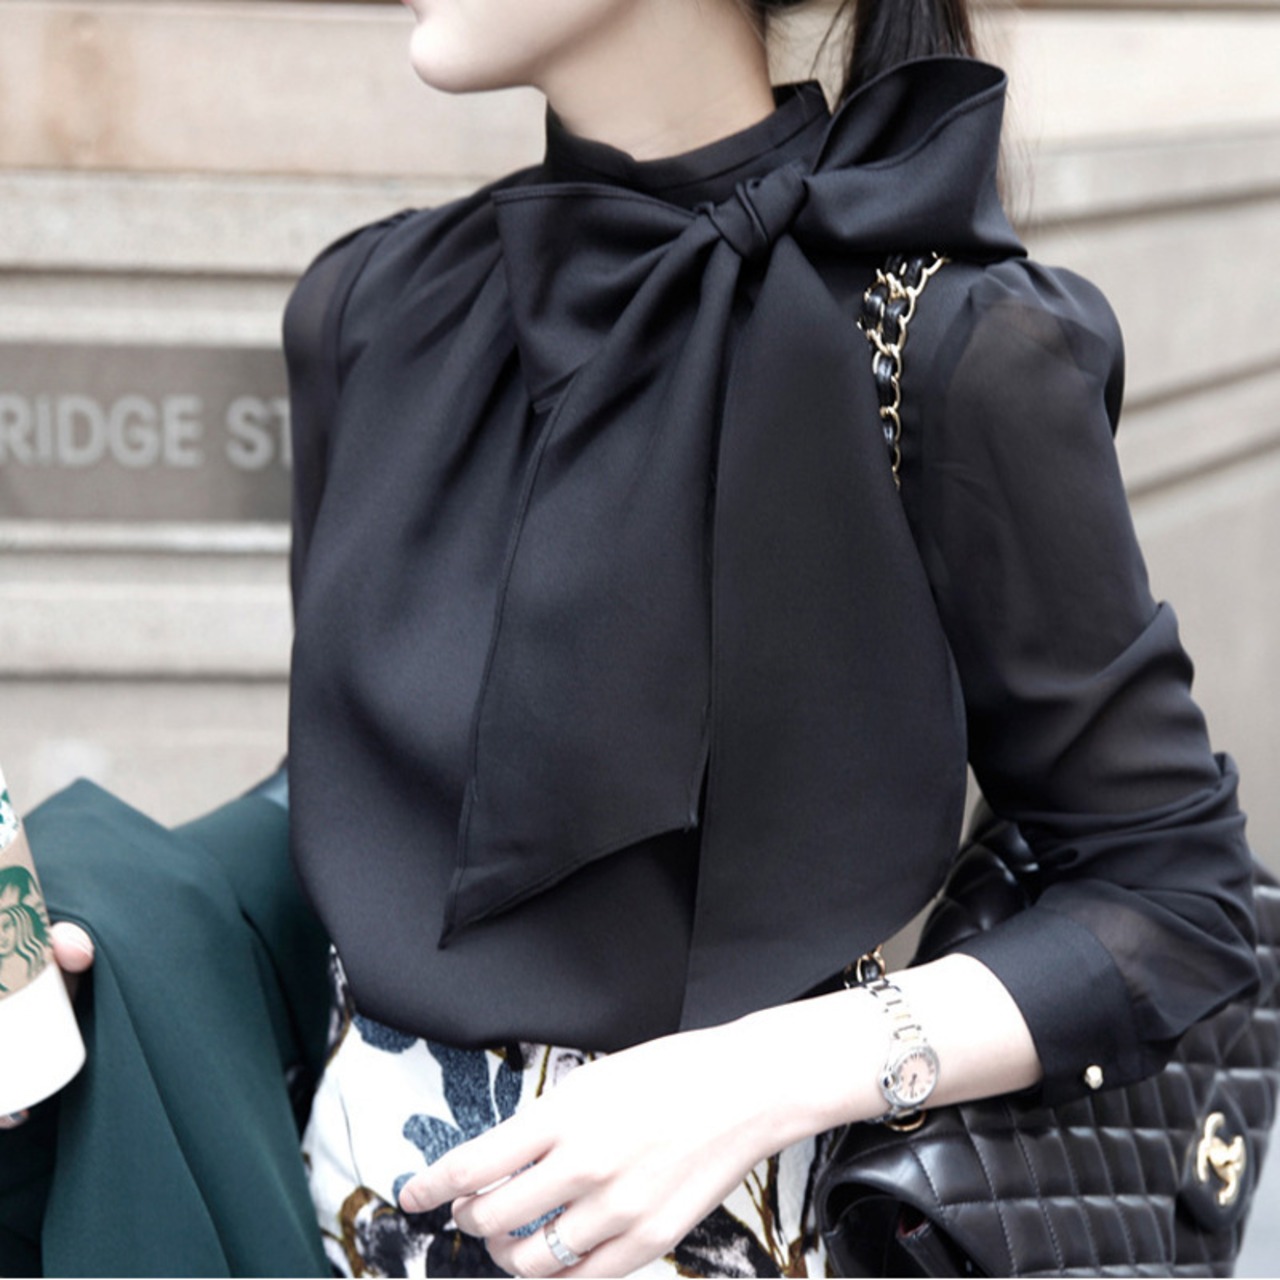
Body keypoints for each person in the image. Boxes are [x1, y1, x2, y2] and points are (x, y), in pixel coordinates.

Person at [40, 0, 1261, 1275]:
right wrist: (102, 933)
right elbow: (385, 815)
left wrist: (752, 1079)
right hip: (327, 1232)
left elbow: (1169, 897)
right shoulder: (370, 311)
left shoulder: (947, 343)